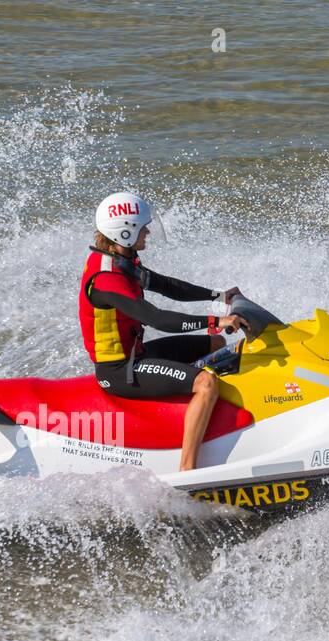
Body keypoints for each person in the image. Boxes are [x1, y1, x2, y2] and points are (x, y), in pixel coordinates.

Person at [79, 191, 247, 471]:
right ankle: (188, 469)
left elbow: (166, 286)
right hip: (119, 370)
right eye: (142, 227)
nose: (147, 232)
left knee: (216, 343)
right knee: (206, 384)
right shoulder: (107, 279)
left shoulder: (123, 261)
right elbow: (157, 319)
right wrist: (215, 321)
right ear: (125, 232)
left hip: (136, 353)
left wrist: (219, 296)